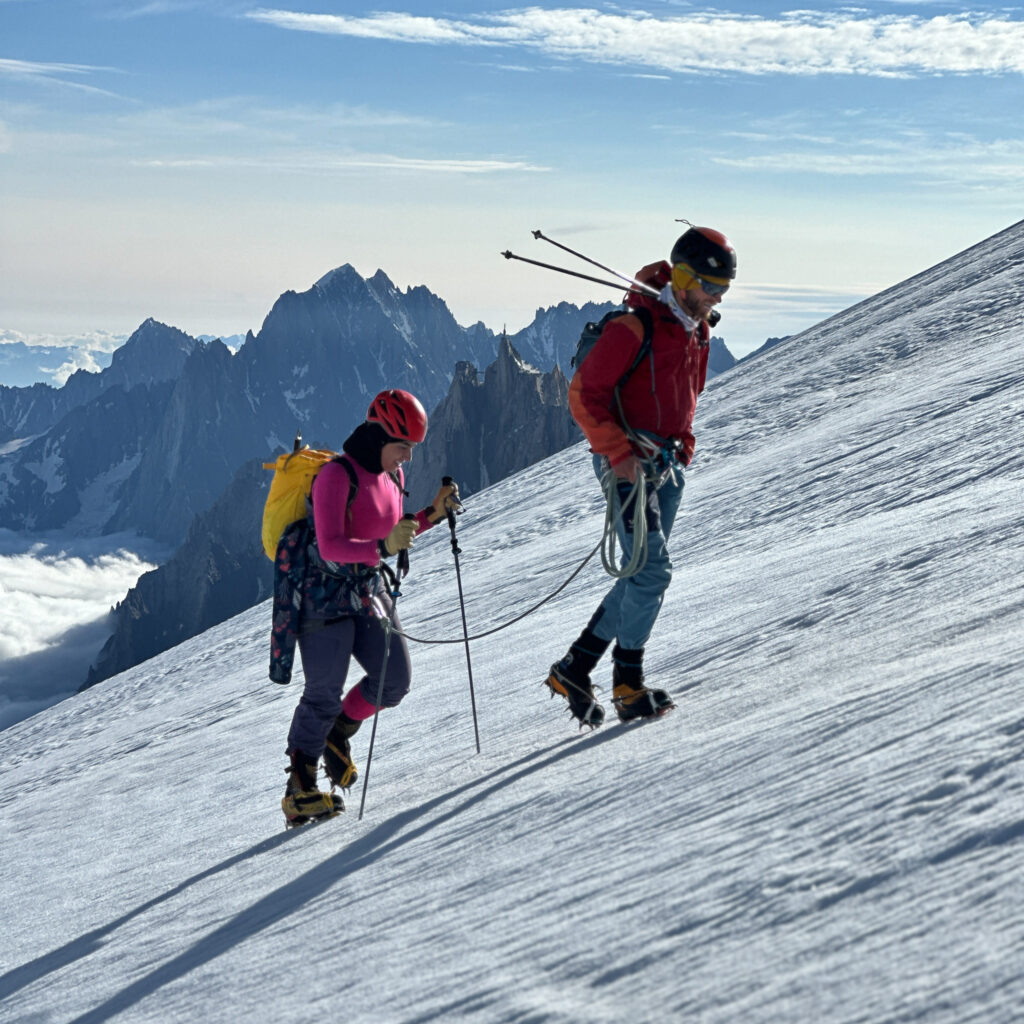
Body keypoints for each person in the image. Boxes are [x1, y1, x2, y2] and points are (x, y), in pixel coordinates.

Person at [545, 226, 736, 728]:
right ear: (684, 277)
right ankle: (627, 684)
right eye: (710, 288)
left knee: (638, 572)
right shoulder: (633, 327)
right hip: (629, 466)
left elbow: (687, 396)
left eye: (723, 290)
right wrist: (618, 455)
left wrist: (684, 445)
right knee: (651, 572)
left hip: (666, 466)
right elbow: (584, 396)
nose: (716, 299)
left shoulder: (698, 330)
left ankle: (574, 667)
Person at [271, 388, 459, 825]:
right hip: (322, 598)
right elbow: (333, 545)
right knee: (322, 693)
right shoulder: (337, 477)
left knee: (394, 680)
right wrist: (382, 545)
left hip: (368, 592)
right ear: (380, 437)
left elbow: (396, 531)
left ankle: (338, 732)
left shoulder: (390, 477)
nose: (407, 458)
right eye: (403, 447)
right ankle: (299, 789)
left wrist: (433, 512)